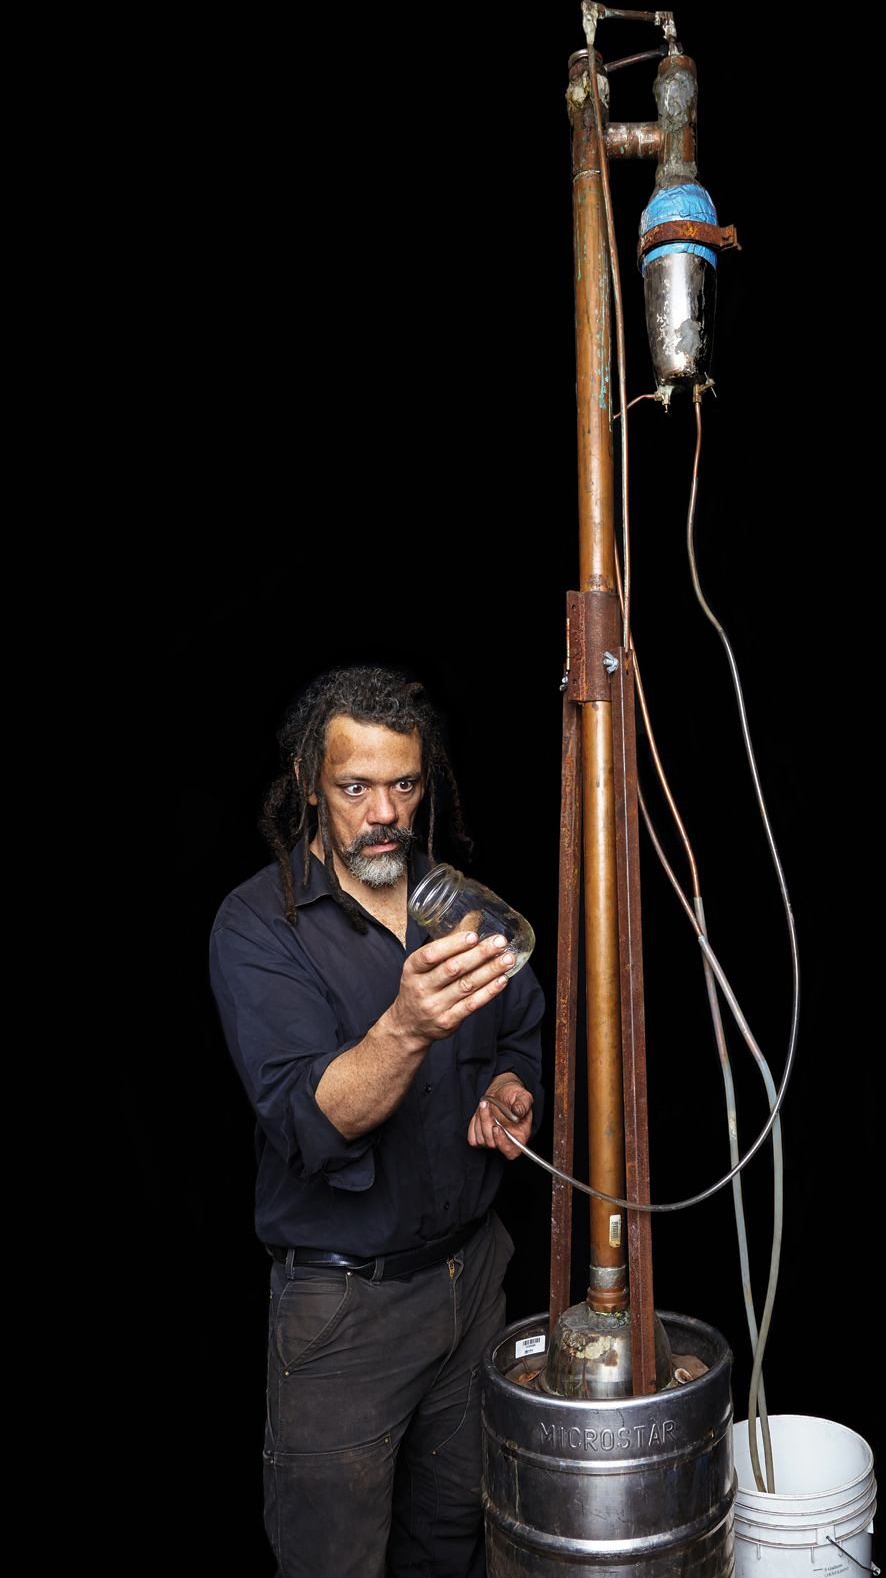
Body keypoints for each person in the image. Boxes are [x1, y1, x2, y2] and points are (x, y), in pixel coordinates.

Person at [209, 666, 545, 1578]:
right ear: (308, 781)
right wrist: (404, 1026)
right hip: (346, 1308)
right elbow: (309, 1117)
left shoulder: (452, 898)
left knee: (454, 1533)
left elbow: (521, 1025)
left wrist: (511, 1087)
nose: (384, 813)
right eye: (355, 786)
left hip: (474, 1279)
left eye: (404, 784)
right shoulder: (259, 925)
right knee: (335, 1559)